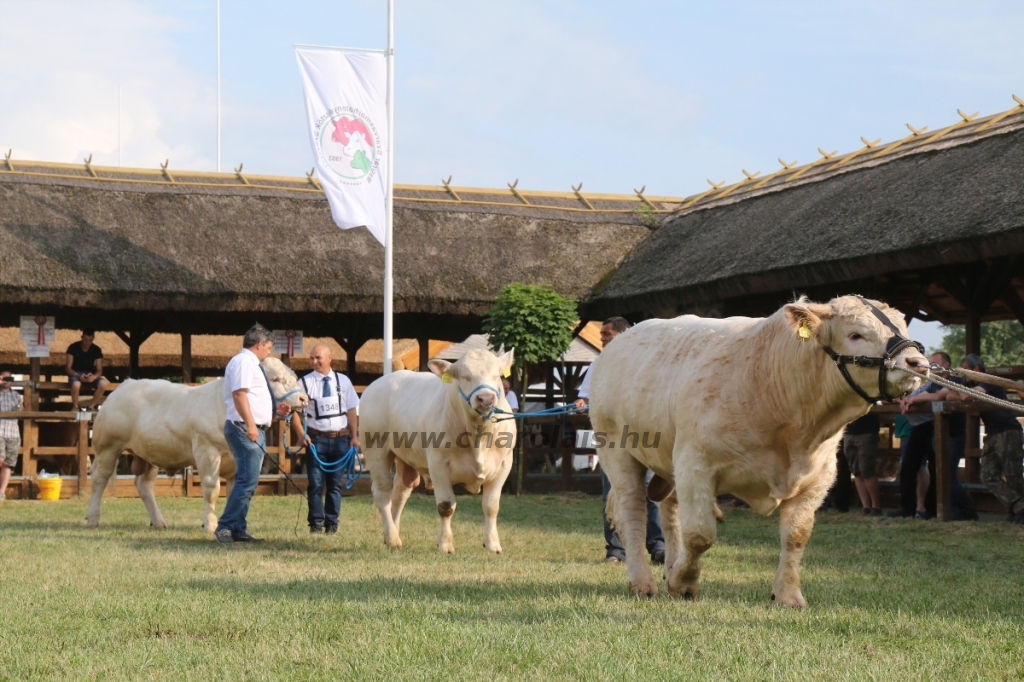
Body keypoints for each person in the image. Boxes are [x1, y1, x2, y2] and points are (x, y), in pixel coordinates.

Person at [574, 316, 665, 565]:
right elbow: (586, 396)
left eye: (607, 334)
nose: (602, 339)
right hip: (612, 440)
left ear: (623, 335)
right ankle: (616, 550)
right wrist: (582, 402)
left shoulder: (645, 364)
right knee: (613, 493)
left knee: (650, 493)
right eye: (602, 335)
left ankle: (658, 546)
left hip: (643, 438)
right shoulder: (598, 366)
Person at [215, 324, 292, 544]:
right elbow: (239, 396)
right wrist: (250, 425)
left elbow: (251, 397)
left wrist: (274, 410)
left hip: (250, 427)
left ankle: (238, 528)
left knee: (249, 480)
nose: (269, 351)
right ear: (259, 344)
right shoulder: (243, 363)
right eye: (268, 347)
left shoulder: (249, 363)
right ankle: (226, 527)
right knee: (246, 480)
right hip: (244, 428)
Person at [899, 352, 977, 520]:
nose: (931, 367)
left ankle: (967, 512)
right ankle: (927, 510)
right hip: (937, 431)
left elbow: (939, 396)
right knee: (937, 473)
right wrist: (909, 399)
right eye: (930, 364)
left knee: (946, 476)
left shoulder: (954, 379)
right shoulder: (931, 380)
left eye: (934, 364)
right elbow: (921, 393)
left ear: (946, 365)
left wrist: (913, 400)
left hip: (952, 434)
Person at [291, 343, 360, 535]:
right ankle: (316, 524)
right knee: (315, 484)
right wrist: (300, 433)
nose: (314, 362)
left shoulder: (343, 381)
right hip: (316, 440)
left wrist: (355, 437)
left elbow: (352, 409)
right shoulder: (303, 383)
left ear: (329, 358)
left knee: (335, 485)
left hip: (340, 440)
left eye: (318, 358)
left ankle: (332, 524)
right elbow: (293, 412)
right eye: (311, 358)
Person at [950, 353, 1024, 524]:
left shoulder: (989, 380)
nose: (963, 374)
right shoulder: (970, 383)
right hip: (992, 433)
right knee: (987, 475)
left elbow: (967, 396)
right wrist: (961, 389)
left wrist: (961, 389)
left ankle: (1017, 514)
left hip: (1007, 431)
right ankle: (1018, 505)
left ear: (976, 369)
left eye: (966, 370)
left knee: (1013, 474)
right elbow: (950, 395)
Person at [843, 412, 882, 515]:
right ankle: (866, 506)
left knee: (867, 470)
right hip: (848, 431)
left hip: (867, 430)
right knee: (856, 471)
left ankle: (875, 506)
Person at [66, 329, 109, 411]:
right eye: (85, 340)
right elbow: (68, 368)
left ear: (93, 339)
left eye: (90, 340)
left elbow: (99, 369)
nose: (87, 343)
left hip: (90, 375)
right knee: (76, 385)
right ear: (82, 337)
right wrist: (78, 375)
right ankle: (75, 407)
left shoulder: (96, 350)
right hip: (76, 374)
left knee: (103, 384)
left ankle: (91, 406)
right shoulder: (73, 348)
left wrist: (94, 377)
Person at [0, 371, 23, 500]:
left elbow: (19, 411)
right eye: (4, 377)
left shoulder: (17, 395)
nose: (6, 380)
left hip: (13, 432)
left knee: (8, 463)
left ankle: (1, 492)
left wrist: (20, 409)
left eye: (9, 378)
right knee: (0, 458)